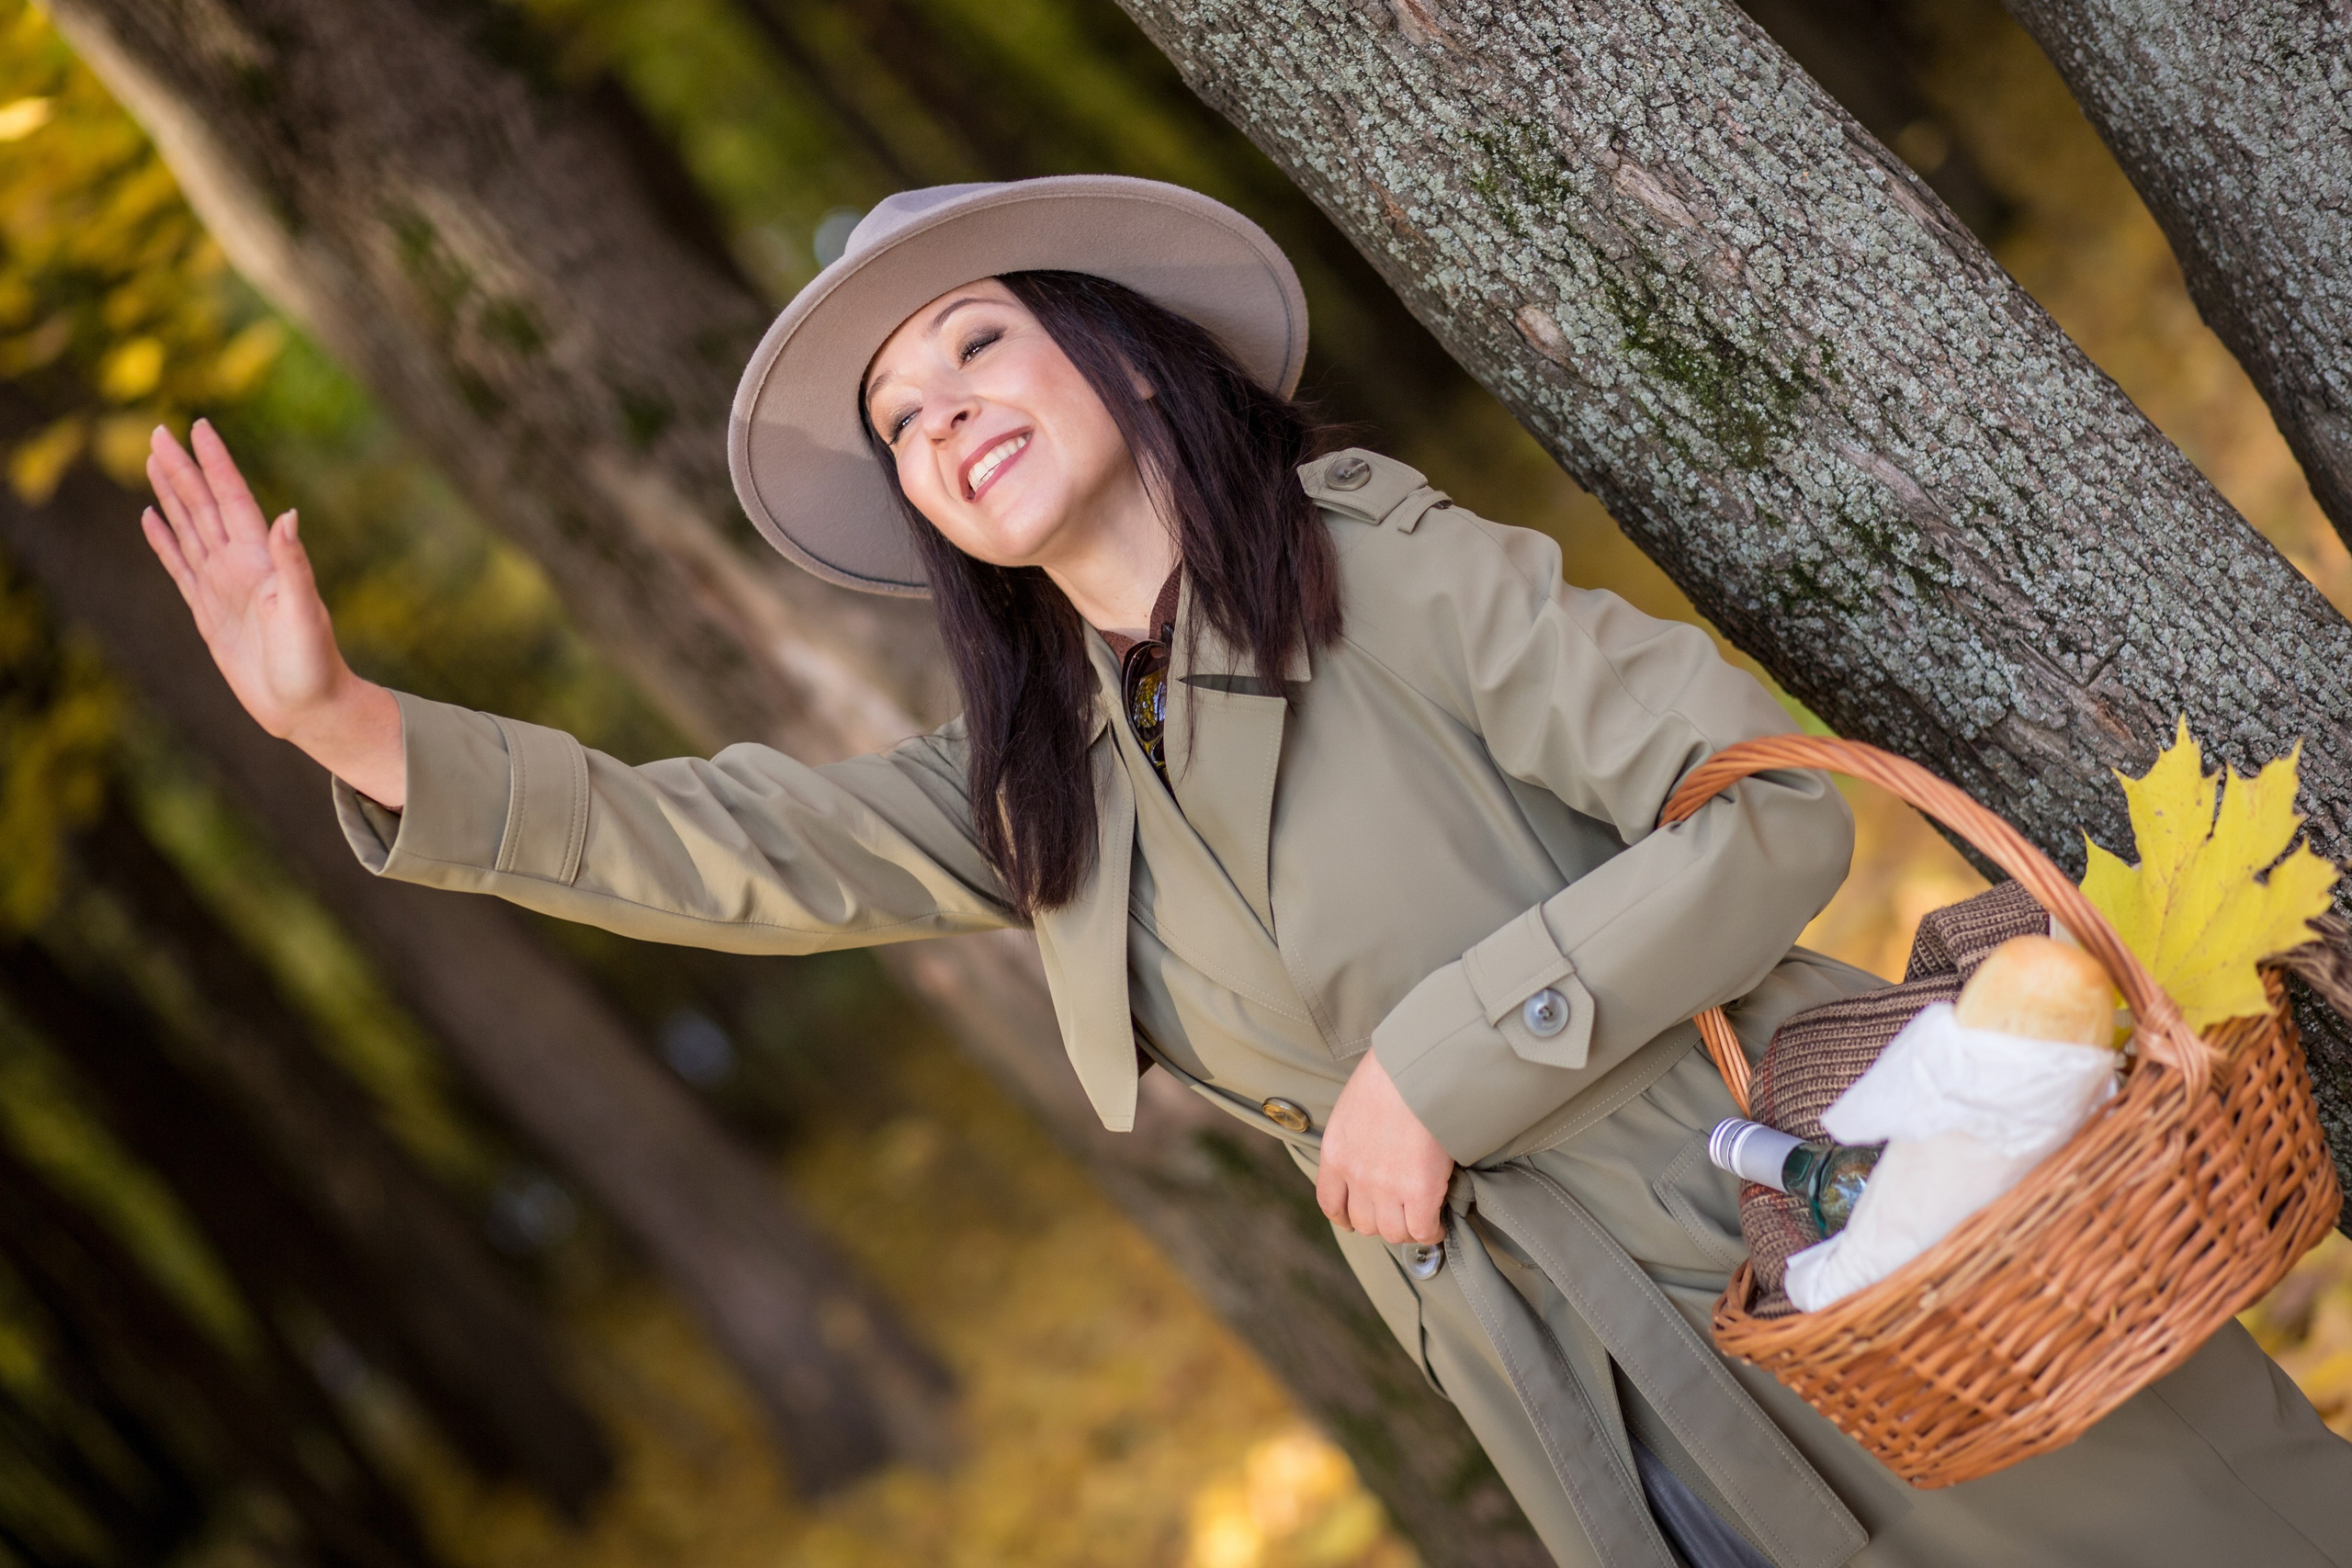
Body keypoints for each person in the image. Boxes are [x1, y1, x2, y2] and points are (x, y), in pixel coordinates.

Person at [139, 175, 2352, 1567]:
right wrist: (347, 724)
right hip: (1575, 1400)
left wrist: (1431, 1069)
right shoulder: (1039, 782)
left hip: (1818, 1255)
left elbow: (1763, 808)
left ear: (1107, 341)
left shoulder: (1376, 567)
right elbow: (726, 849)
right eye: (902, 423)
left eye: (971, 344)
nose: (940, 417)